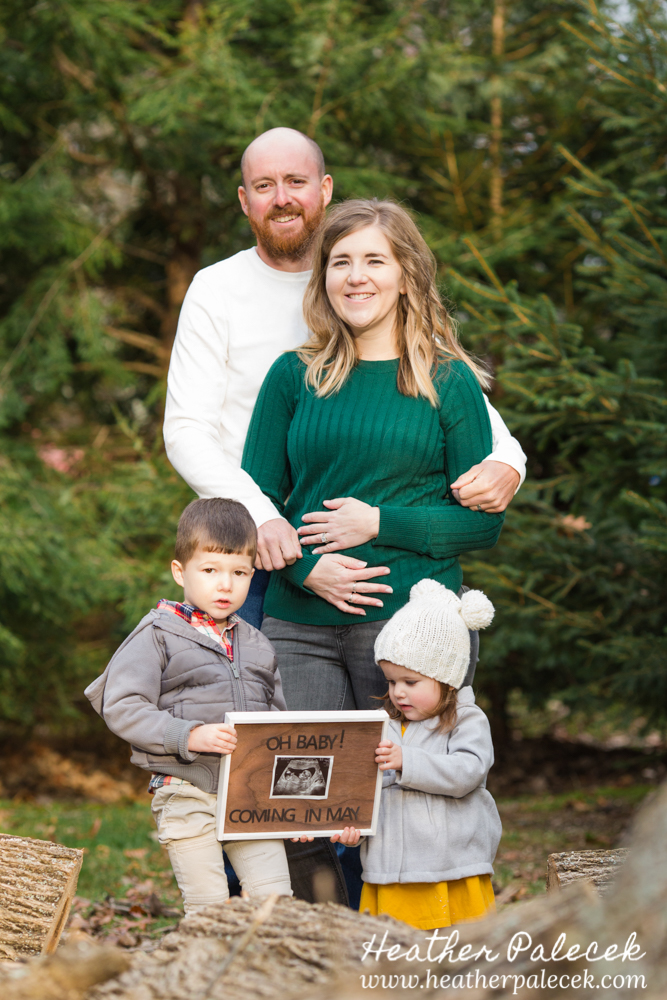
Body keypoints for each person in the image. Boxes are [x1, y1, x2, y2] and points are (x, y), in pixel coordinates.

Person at [163, 128, 526, 635]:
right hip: (252, 546)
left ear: (326, 190)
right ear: (245, 201)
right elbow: (185, 430)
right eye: (264, 186)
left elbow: (441, 389)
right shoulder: (216, 289)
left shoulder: (362, 283)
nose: (282, 198)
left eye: (296, 181)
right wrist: (262, 518)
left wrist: (509, 461)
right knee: (257, 707)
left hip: (373, 557)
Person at [242, 198, 506, 716]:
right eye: (341, 262)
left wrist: (379, 523)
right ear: (324, 279)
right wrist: (306, 570)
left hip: (407, 627)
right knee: (303, 791)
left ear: (407, 276)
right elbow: (253, 505)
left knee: (402, 788)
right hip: (296, 626)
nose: (355, 277)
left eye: (375, 261)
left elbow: (482, 528)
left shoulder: (449, 382)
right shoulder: (292, 375)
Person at [83, 498, 294, 914]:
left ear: (253, 575)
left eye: (239, 573)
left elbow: (278, 725)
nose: (225, 585)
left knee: (276, 903)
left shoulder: (257, 644)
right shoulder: (159, 634)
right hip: (185, 789)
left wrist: (291, 802)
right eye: (210, 570)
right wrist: (188, 735)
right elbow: (122, 705)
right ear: (180, 571)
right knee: (209, 905)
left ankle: (267, 977)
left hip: (248, 795)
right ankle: (199, 976)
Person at [335, 579, 502, 930]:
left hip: (449, 867)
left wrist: (406, 762)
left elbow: (467, 772)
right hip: (389, 870)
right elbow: (368, 789)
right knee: (394, 955)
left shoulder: (466, 720)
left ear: (446, 678)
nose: (398, 693)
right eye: (392, 681)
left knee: (456, 952)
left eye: (411, 682)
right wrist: (355, 826)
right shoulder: (385, 726)